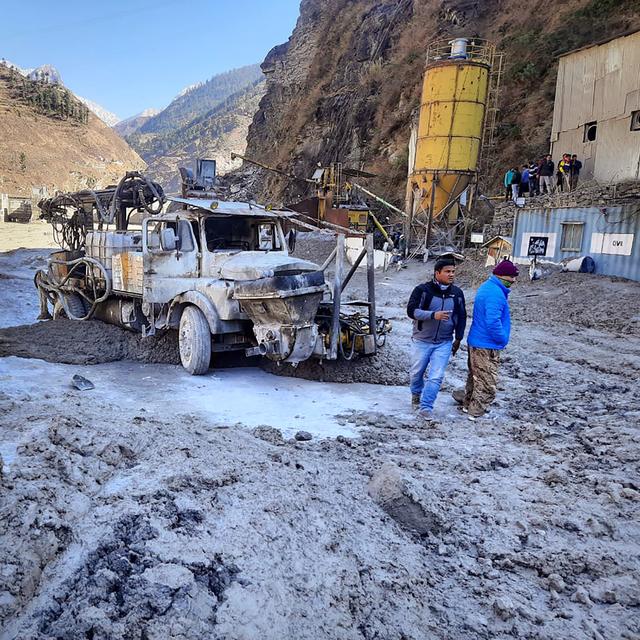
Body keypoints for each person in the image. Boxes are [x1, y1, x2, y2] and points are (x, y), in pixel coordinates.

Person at [453, 259, 518, 420]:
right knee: (487, 384)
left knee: (475, 379)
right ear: (502, 275)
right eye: (512, 277)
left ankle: (468, 406)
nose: (514, 280)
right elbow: (492, 321)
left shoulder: (488, 288)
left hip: (478, 342)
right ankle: (475, 414)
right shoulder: (495, 293)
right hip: (486, 344)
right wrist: (502, 339)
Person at [407, 258, 467, 418]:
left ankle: (426, 407)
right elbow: (412, 311)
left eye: (453, 271)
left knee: (436, 376)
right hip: (421, 341)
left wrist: (459, 338)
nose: (451, 274)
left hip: (444, 342)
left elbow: (462, 316)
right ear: (437, 273)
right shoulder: (423, 290)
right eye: (448, 271)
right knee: (416, 373)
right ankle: (416, 395)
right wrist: (434, 315)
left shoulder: (457, 294)